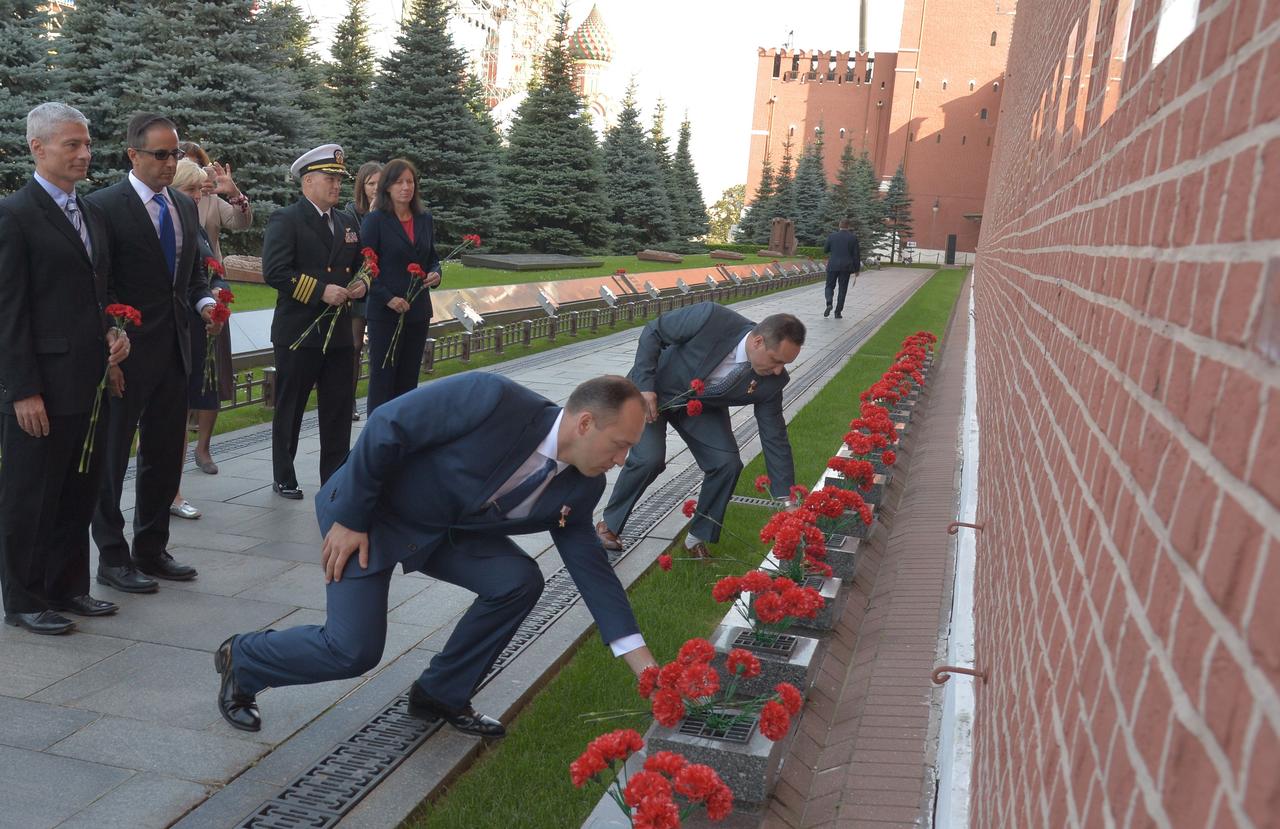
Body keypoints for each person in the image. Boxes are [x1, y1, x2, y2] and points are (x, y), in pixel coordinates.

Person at [215, 373, 657, 735]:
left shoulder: (582, 486)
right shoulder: (492, 399)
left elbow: (594, 574)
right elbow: (387, 424)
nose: (622, 459)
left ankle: (440, 694)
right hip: (371, 515)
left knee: (518, 581)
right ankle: (245, 658)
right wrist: (349, 518)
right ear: (585, 424)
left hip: (441, 531)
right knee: (352, 651)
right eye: (620, 444)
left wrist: (648, 672)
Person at [0, 102, 130, 634]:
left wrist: (115, 335)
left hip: (89, 380)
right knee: (32, 494)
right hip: (42, 385)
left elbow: (100, 292)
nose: (84, 154)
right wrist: (22, 389)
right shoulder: (14, 214)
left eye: (87, 144)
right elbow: (8, 311)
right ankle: (25, 598)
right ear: (38, 148)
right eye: (72, 144)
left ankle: (69, 586)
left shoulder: (91, 213)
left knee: (80, 488)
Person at [89, 112, 221, 593]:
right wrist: (110, 336)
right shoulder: (103, 206)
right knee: (112, 458)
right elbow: (97, 284)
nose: (170, 163)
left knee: (164, 454)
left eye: (176, 154)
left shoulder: (183, 206)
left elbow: (192, 276)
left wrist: (205, 304)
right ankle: (112, 556)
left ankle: (151, 549)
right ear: (133, 155)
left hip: (174, 350)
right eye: (161, 154)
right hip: (125, 355)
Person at [596, 306, 805, 559]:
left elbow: (775, 436)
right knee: (649, 459)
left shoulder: (773, 381)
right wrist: (644, 386)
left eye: (785, 364)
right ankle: (609, 525)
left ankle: (697, 537)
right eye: (776, 360)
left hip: (699, 408)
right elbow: (654, 332)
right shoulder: (711, 318)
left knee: (726, 463)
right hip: (653, 392)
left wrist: (787, 498)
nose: (778, 370)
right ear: (758, 341)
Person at [262, 144, 367, 500]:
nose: (337, 185)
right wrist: (321, 291)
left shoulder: (347, 222)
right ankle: (284, 475)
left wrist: (363, 284)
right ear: (307, 182)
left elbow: (364, 263)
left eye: (339, 179)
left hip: (337, 332)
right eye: (329, 178)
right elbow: (275, 271)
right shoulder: (287, 219)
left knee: (338, 408)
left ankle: (334, 478)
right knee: (290, 407)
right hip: (299, 331)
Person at [179, 141, 252, 472]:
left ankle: (204, 449)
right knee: (182, 381)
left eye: (199, 163)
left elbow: (241, 221)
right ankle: (177, 452)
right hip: (184, 300)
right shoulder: (167, 200)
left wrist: (233, 192)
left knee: (211, 373)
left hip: (212, 289)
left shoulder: (209, 199)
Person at [167, 159, 231, 521]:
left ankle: (172, 491)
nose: (196, 197)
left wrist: (216, 296)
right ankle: (168, 492)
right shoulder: (164, 224)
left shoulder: (194, 225)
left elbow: (211, 270)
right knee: (168, 417)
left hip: (197, 329)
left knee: (181, 412)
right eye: (190, 189)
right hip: (169, 334)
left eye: (199, 190)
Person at [360, 158, 440, 415]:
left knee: (408, 381)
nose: (406, 187)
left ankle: (404, 433)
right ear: (387, 186)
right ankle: (379, 434)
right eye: (399, 182)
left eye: (410, 181)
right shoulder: (376, 220)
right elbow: (365, 266)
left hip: (417, 311)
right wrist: (388, 298)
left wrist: (436, 274)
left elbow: (432, 258)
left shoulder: (424, 219)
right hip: (386, 313)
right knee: (383, 379)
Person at [345, 161, 382, 421]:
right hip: (359, 285)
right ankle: (349, 401)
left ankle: (379, 403)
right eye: (371, 184)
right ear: (362, 186)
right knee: (354, 345)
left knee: (379, 346)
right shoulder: (351, 213)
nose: (375, 189)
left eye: (380, 183)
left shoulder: (391, 212)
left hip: (382, 287)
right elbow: (361, 248)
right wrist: (372, 214)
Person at [822, 219, 861, 319]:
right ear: (848, 226)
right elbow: (856, 255)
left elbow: (825, 250)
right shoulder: (853, 238)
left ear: (839, 226)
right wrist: (857, 269)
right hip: (846, 267)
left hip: (833, 265)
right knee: (842, 289)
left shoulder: (832, 236)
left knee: (829, 286)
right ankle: (838, 312)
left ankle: (829, 303)